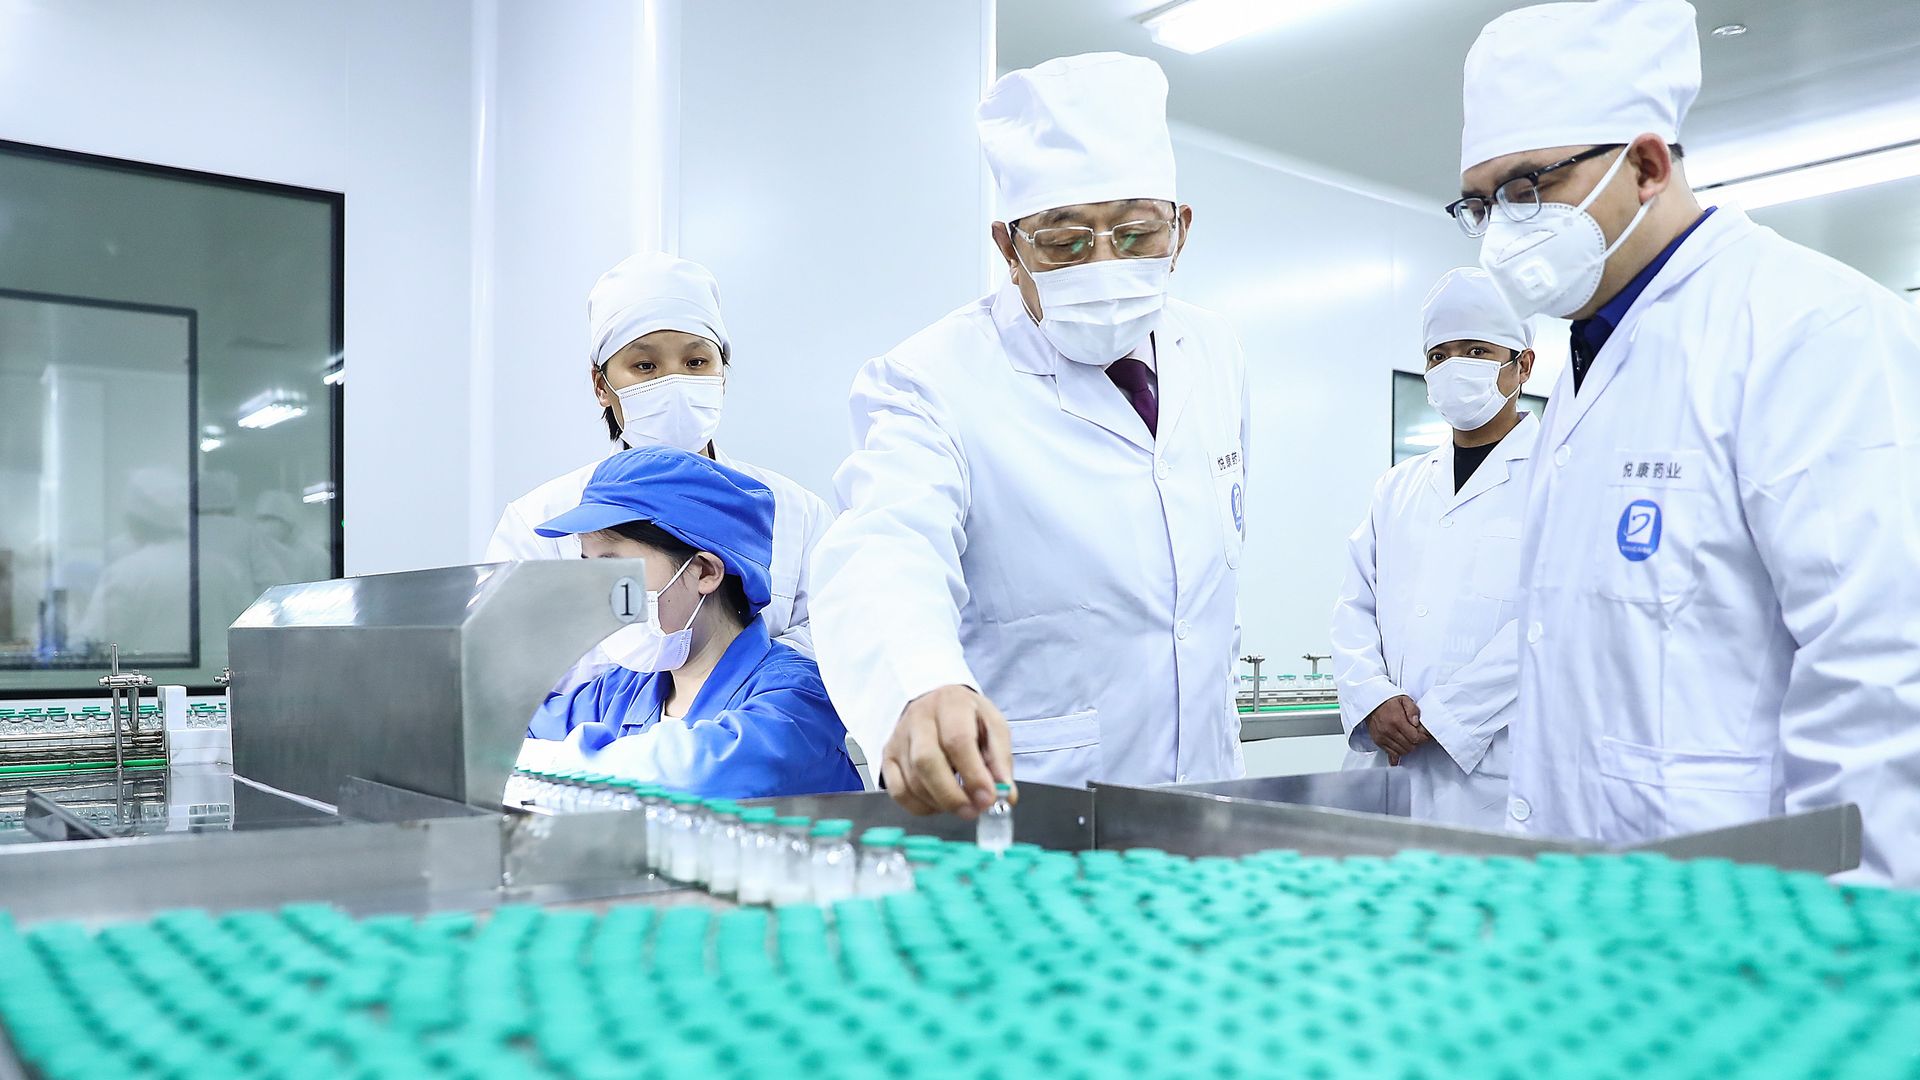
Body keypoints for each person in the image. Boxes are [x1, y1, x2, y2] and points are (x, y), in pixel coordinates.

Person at [1454, 0, 1920, 884]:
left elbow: (1883, 679)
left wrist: (1853, 942)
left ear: (1646, 164)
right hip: (1591, 905)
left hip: (1759, 922)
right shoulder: (1590, 361)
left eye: (1525, 188)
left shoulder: (1811, 328)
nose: (1500, 229)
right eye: (1479, 203)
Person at [809, 53, 1250, 817]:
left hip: (1208, 792)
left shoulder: (1214, 352)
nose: (1105, 264)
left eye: (1136, 233)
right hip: (1035, 805)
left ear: (1181, 230)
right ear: (1008, 248)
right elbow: (885, 547)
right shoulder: (929, 378)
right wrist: (921, 683)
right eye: (1065, 242)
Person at [485, 252, 829, 657]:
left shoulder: (798, 515)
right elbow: (508, 666)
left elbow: (836, 641)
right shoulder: (537, 525)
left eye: (696, 362)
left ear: (722, 373)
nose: (675, 382)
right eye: (645, 365)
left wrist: (730, 696)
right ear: (601, 385)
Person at [523, 446, 861, 799]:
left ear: (705, 572)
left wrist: (550, 760)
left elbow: (695, 776)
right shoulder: (620, 691)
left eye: (611, 570)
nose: (596, 594)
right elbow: (500, 741)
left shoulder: (799, 696)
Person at [1331, 268, 1539, 831]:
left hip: (1493, 773)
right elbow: (1354, 608)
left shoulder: (1556, 477)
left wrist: (1446, 719)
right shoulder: (1396, 487)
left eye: (1476, 350)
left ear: (1522, 365)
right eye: (1439, 355)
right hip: (1385, 763)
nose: (1454, 367)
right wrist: (1373, 699)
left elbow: (1552, 620)